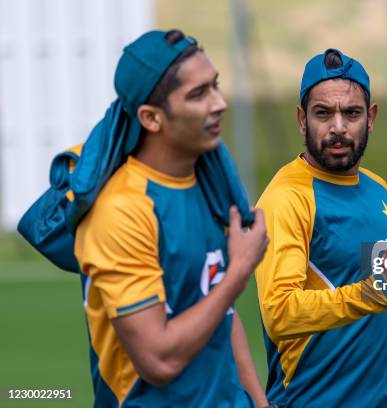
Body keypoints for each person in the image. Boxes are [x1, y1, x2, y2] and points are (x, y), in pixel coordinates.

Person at [73, 30, 269, 407]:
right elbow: (158, 360)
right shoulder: (122, 210)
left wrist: (259, 401)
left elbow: (220, 313)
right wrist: (240, 271)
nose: (220, 103)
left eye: (215, 85)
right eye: (198, 94)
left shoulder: (208, 182)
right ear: (151, 118)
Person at [254, 48, 387, 407]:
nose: (339, 128)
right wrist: (379, 290)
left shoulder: (378, 190)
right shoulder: (286, 198)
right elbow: (279, 314)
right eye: (323, 113)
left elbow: (374, 320)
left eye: (352, 113)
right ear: (302, 120)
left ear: (371, 118)